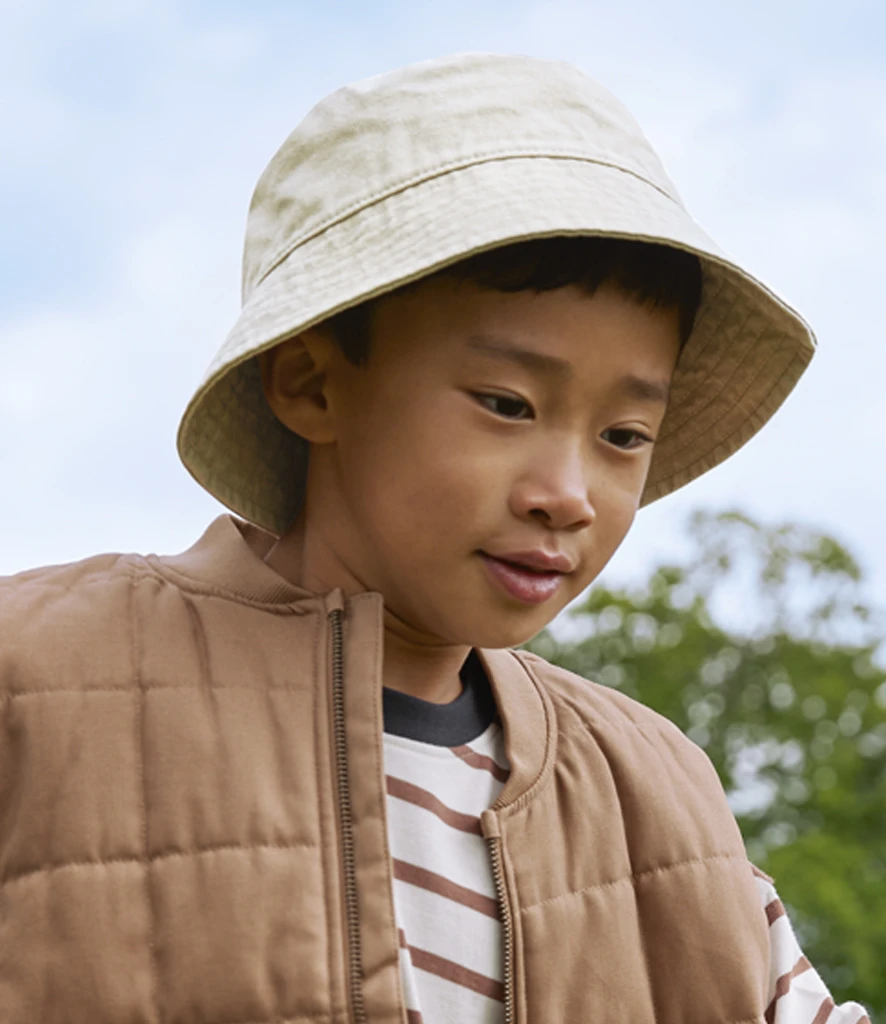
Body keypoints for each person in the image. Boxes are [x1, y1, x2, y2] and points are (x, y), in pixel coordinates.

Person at [0, 52, 871, 1024]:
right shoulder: (37, 679)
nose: (568, 493)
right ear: (313, 382)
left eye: (624, 435)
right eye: (506, 403)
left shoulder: (658, 797)